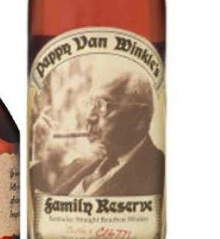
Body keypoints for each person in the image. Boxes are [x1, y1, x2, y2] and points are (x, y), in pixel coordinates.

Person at [30, 70, 164, 197]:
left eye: (101, 106)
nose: (89, 117)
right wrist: (40, 154)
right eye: (90, 104)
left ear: (139, 118)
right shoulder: (78, 165)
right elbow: (43, 202)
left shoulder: (157, 173)